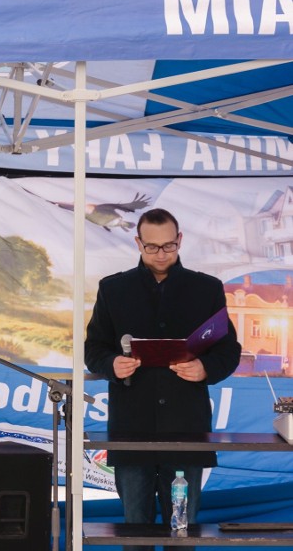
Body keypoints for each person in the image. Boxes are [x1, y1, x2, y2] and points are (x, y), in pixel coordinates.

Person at [85, 208, 241, 550]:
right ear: (138, 243)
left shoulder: (207, 289)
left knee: (183, 534)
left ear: (180, 240)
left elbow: (228, 351)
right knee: (134, 530)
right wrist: (112, 364)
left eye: (168, 247)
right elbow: (93, 348)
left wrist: (205, 368)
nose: (160, 254)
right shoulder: (113, 289)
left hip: (186, 426)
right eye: (152, 247)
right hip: (131, 427)